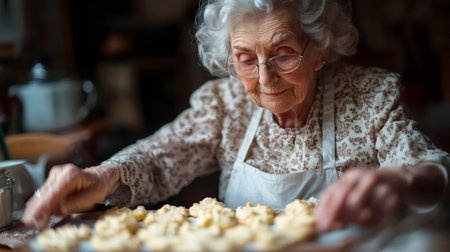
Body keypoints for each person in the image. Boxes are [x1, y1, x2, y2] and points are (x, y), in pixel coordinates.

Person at [23, 0, 449, 233]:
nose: (264, 78)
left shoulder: (369, 97)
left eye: (282, 53)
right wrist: (101, 176)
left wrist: (402, 179)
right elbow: (159, 156)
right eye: (246, 59)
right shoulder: (224, 104)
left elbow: (434, 170)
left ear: (318, 49)